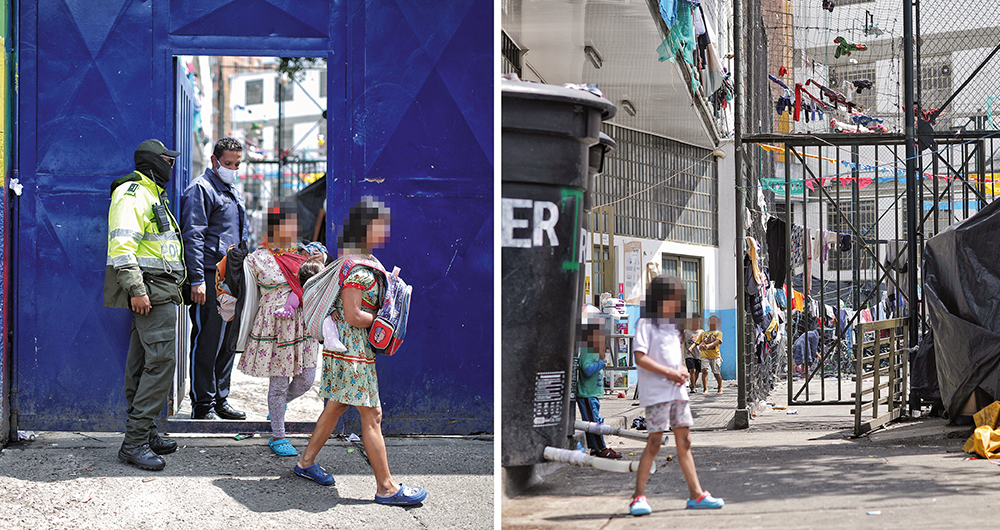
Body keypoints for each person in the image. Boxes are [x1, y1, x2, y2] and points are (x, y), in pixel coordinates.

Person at [294, 198, 428, 506]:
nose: (385, 230)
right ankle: (386, 487)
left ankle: (305, 463)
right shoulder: (356, 267)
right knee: (373, 415)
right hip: (353, 352)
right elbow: (353, 314)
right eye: (380, 225)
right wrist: (385, 323)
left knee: (336, 406)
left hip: (349, 350)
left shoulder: (362, 260)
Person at [105, 139, 185, 471]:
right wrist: (137, 289)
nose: (172, 165)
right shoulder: (133, 194)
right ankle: (134, 441)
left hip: (159, 292)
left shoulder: (151, 193)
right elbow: (121, 246)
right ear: (154, 162)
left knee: (142, 365)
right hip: (150, 292)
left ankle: (146, 432)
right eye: (167, 160)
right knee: (161, 363)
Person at [630, 276, 724, 516]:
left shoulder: (674, 328)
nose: (674, 303)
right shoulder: (646, 324)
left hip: (678, 393)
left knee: (685, 442)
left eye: (677, 299)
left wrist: (681, 370)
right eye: (670, 298)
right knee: (654, 442)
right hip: (658, 395)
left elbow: (678, 361)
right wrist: (670, 373)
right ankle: (638, 497)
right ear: (658, 299)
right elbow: (640, 357)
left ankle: (696, 495)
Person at [236, 200, 320, 456]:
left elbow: (319, 271)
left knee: (306, 380)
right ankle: (278, 435)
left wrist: (321, 257)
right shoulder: (257, 259)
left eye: (293, 225)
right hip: (275, 326)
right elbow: (241, 290)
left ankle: (275, 411)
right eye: (284, 225)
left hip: (302, 325)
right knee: (279, 383)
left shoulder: (305, 253)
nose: (290, 230)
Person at [181, 137, 249, 420]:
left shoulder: (232, 190)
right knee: (208, 339)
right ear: (214, 160)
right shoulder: (202, 189)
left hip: (231, 276)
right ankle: (203, 405)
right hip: (210, 275)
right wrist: (196, 279)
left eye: (237, 164)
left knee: (227, 341)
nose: (232, 168)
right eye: (228, 164)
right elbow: (193, 235)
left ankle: (221, 399)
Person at [576, 318, 622, 459]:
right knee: (594, 423)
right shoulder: (589, 350)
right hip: (586, 394)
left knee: (593, 423)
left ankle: (595, 448)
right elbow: (587, 370)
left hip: (591, 394)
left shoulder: (594, 351)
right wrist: (601, 362)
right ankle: (601, 448)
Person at [696, 314, 724, 394]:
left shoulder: (719, 333)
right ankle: (705, 389)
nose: (713, 324)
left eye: (715, 322)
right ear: (708, 323)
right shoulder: (703, 333)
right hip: (705, 355)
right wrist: (699, 347)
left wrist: (708, 345)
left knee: (716, 373)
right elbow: (697, 342)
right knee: (705, 371)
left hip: (715, 356)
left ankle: (720, 387)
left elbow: (717, 342)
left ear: (718, 324)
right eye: (711, 322)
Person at [683, 316, 703, 392]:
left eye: (697, 322)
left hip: (698, 354)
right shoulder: (686, 332)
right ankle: (693, 388)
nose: (695, 323)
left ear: (700, 323)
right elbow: (681, 341)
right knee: (692, 370)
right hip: (689, 354)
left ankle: (692, 383)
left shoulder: (701, 332)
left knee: (697, 371)